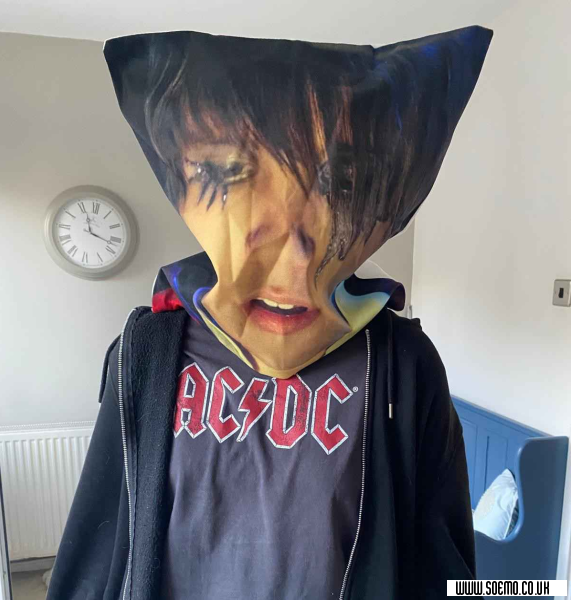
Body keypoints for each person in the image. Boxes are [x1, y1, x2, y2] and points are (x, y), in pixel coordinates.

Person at [47, 25, 493, 599]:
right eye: (226, 173)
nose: (292, 255)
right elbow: (98, 546)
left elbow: (442, 559)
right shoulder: (147, 351)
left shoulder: (403, 365)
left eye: (342, 182)